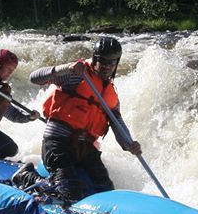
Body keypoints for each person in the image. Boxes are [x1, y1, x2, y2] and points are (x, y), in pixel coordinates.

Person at [19, 36, 141, 203]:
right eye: (103, 61)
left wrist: (129, 144)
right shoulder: (77, 75)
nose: (107, 66)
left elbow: (117, 123)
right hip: (58, 142)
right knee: (70, 193)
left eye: (112, 62)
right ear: (95, 59)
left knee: (106, 189)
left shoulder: (111, 94)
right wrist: (66, 69)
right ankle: (27, 177)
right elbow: (34, 77)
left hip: (84, 148)